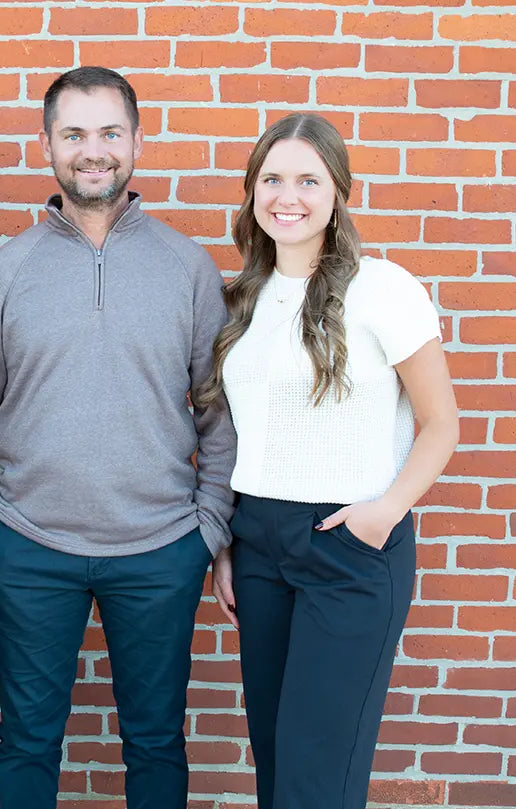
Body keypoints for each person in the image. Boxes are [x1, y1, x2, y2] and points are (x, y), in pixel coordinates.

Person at [0, 66, 236, 809]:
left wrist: (206, 530)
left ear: (136, 141)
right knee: (29, 741)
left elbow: (219, 414)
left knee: (157, 741)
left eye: (109, 132)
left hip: (161, 548)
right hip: (29, 548)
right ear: (48, 145)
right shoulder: (7, 273)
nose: (92, 150)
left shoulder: (188, 268)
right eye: (74, 134)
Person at [198, 113, 459, 809]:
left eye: (309, 179)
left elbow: (441, 424)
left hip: (350, 545)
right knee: (278, 761)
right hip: (259, 546)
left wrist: (383, 513)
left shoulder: (383, 288)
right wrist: (227, 542)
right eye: (273, 178)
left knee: (320, 776)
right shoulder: (242, 303)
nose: (289, 196)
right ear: (252, 191)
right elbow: (243, 439)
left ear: (339, 192)